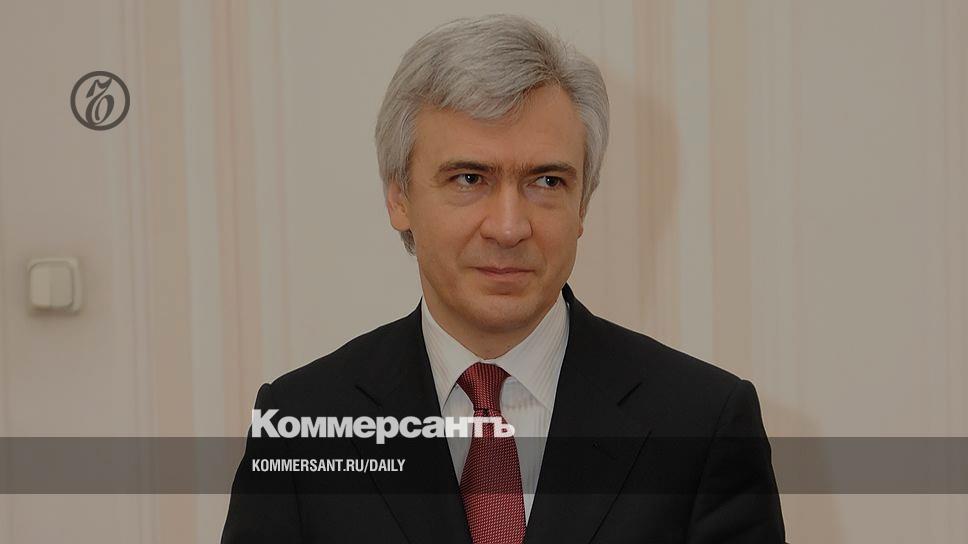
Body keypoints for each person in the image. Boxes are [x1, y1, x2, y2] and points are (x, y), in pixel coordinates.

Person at [222, 13, 786, 544]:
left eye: (547, 181)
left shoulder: (704, 424)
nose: (510, 227)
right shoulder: (301, 422)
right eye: (470, 178)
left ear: (583, 204)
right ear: (399, 197)